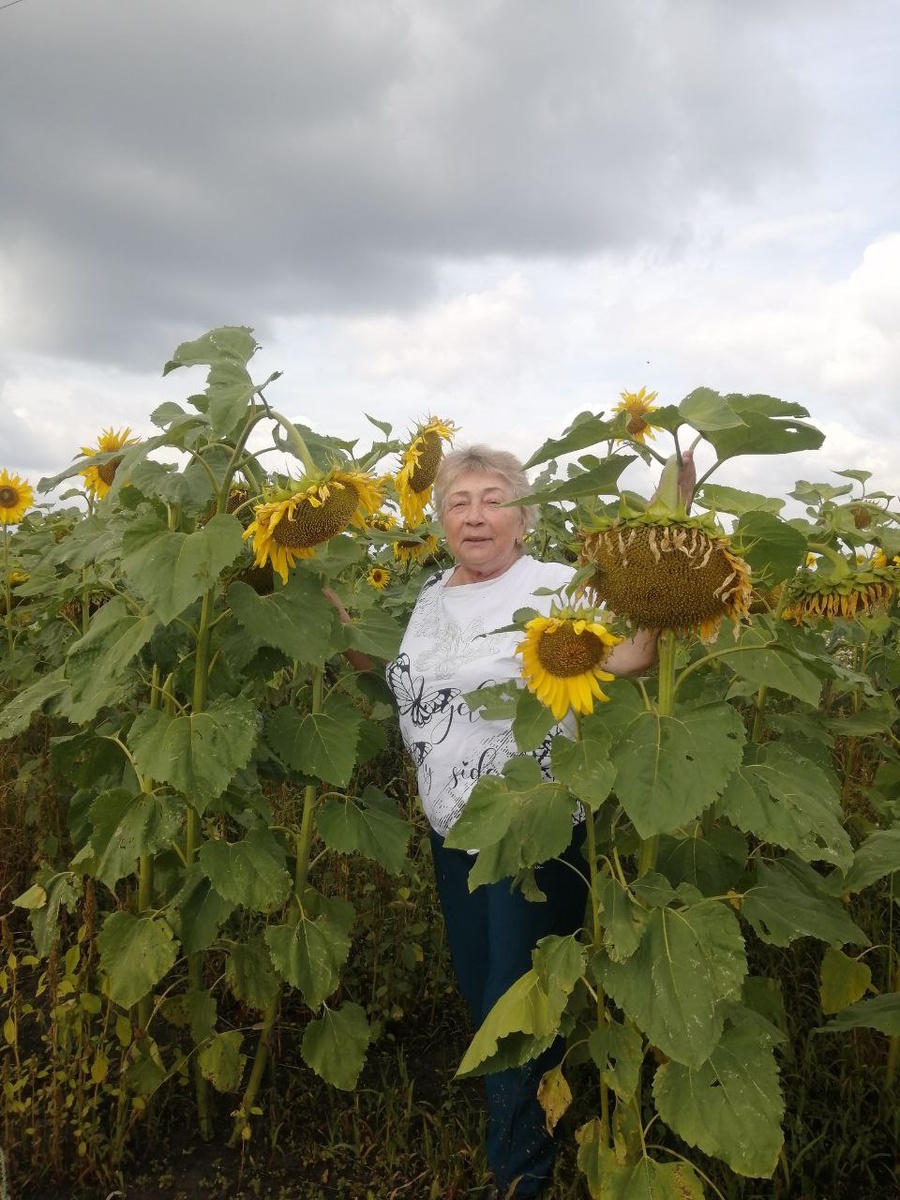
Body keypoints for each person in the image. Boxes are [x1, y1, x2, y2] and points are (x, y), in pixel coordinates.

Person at [384, 445, 661, 1198]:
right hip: (454, 831)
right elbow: (412, 681)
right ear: (441, 518)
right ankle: (522, 1127)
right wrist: (333, 624)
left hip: (532, 832)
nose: (475, 516)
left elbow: (632, 655)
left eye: (493, 499)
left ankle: (519, 1176)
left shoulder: (553, 586)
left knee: (518, 1005)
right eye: (459, 501)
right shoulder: (431, 595)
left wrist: (669, 545)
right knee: (483, 987)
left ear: (524, 515)